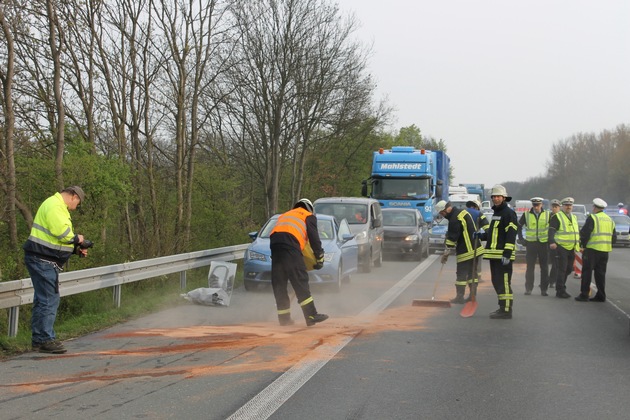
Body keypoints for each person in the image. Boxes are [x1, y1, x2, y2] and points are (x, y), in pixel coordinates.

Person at [23, 186, 89, 354]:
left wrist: (75, 248)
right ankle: (45, 339)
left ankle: (39, 339)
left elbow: (54, 239)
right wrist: (78, 239)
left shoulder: (54, 205)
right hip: (42, 260)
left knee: (42, 299)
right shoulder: (55, 206)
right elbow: (63, 234)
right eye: (78, 203)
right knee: (49, 299)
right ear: (74, 196)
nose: (76, 207)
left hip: (41, 258)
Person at [270, 198, 328, 327]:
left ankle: (284, 319)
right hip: (290, 246)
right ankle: (311, 315)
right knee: (300, 280)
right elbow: (314, 239)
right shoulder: (308, 216)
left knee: (279, 283)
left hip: (275, 246)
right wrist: (319, 258)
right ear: (309, 208)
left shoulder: (285, 215)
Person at [475, 185, 517, 319]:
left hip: (503, 255)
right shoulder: (496, 213)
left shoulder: (509, 214)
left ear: (504, 198)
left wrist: (507, 253)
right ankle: (501, 307)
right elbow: (494, 234)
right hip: (493, 255)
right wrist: (481, 236)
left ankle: (506, 310)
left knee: (504, 282)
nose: (496, 199)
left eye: (498, 196)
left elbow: (511, 234)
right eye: (494, 197)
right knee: (496, 282)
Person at [436, 201, 483, 304]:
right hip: (475, 248)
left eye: (442, 213)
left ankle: (460, 297)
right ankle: (472, 296)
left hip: (466, 250)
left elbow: (452, 238)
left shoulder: (454, 219)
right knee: (472, 273)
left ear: (447, 209)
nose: (442, 215)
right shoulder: (463, 212)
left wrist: (446, 253)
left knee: (461, 274)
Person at [575, 198, 616, 302]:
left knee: (587, 272)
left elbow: (585, 233)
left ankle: (584, 294)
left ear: (595, 207)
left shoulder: (592, 218)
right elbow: (614, 238)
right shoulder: (610, 220)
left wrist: (582, 245)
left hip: (592, 250)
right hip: (605, 251)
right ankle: (601, 295)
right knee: (600, 274)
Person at [517, 197, 551, 296]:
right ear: (532, 205)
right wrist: (521, 239)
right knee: (530, 267)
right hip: (531, 244)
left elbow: (552, 228)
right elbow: (519, 226)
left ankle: (544, 289)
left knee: (544, 267)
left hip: (543, 244)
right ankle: (528, 288)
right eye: (534, 205)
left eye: (538, 205)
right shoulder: (526, 215)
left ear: (541, 205)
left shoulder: (548, 214)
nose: (536, 207)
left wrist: (550, 240)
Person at [548, 197, 579, 298]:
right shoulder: (557, 217)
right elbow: (551, 230)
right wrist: (552, 242)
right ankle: (560, 290)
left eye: (570, 205)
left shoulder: (574, 217)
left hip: (571, 247)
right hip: (561, 247)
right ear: (563, 206)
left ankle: (561, 287)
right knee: (562, 268)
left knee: (569, 269)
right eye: (566, 205)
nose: (568, 207)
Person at [547, 199, 561, 288]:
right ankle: (545, 281)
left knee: (555, 264)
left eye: (556, 207)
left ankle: (552, 281)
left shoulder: (561, 217)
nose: (554, 208)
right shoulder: (547, 216)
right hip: (546, 242)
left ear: (559, 207)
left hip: (557, 243)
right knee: (545, 263)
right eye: (553, 207)